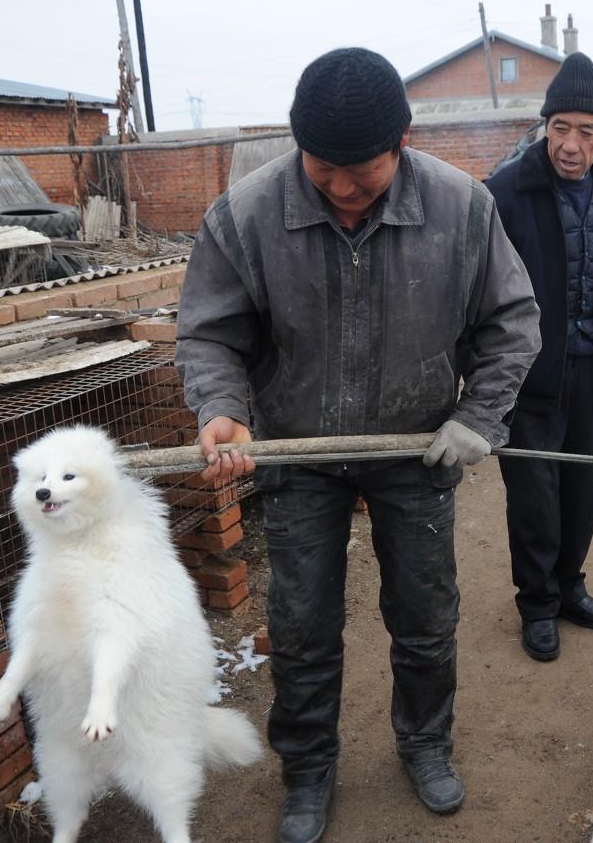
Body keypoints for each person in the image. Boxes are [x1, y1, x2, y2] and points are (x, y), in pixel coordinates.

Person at [175, 47, 541, 843]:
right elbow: (210, 336)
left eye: (362, 172)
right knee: (303, 624)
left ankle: (424, 742)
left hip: (417, 450)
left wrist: (477, 418)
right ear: (294, 142)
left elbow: (511, 326)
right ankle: (307, 768)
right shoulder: (244, 216)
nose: (341, 189)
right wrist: (223, 407)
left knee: (424, 614)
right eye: (321, 169)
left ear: (402, 141)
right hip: (298, 454)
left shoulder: (463, 209)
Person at [484, 52, 593, 663]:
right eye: (560, 128)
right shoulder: (504, 194)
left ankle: (571, 585)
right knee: (532, 493)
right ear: (543, 126)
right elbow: (479, 295)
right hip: (528, 373)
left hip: (588, 366)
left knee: (582, 486)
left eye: (586, 130)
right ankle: (538, 603)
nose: (571, 144)